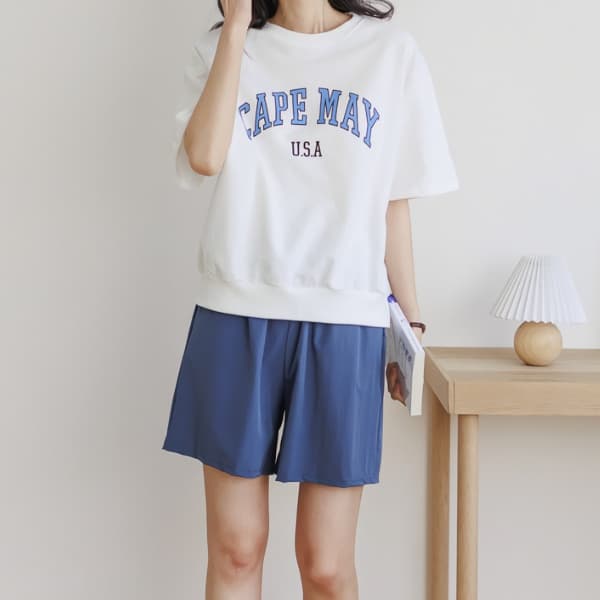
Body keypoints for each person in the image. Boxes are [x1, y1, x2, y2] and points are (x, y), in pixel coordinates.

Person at [162, 0, 459, 597]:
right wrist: (237, 25)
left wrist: (411, 324)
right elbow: (204, 157)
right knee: (236, 551)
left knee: (325, 563)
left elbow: (392, 201)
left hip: (345, 322)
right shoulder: (225, 45)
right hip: (235, 314)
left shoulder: (390, 53)